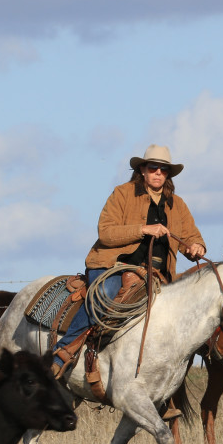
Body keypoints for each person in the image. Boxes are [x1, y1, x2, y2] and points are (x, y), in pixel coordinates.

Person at [52, 144, 207, 375]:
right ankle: (64, 351)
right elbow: (105, 232)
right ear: (142, 170)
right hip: (115, 266)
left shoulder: (178, 205)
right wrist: (143, 229)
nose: (158, 173)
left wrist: (197, 247)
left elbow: (193, 237)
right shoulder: (122, 194)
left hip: (159, 275)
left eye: (163, 169)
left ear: (168, 174)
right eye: (153, 167)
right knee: (104, 294)